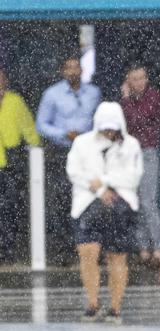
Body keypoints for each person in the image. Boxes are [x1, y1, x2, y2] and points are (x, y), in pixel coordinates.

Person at [66, 101, 142, 323]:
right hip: (87, 203)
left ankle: (115, 307)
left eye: (113, 127)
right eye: (105, 127)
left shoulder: (131, 145)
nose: (109, 131)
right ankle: (93, 302)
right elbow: (74, 172)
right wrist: (99, 189)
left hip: (121, 204)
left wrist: (106, 182)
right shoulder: (81, 144)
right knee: (87, 252)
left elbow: (133, 176)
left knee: (117, 256)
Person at [37, 54, 100, 264]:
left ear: (82, 70)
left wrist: (89, 135)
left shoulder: (93, 93)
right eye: (68, 68)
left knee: (89, 197)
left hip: (88, 153)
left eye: (76, 67)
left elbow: (99, 120)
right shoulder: (52, 94)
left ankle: (88, 246)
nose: (73, 71)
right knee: (61, 200)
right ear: (63, 71)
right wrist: (64, 133)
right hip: (62, 152)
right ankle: (63, 250)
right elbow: (42, 124)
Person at [120, 64, 160, 263]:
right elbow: (124, 124)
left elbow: (138, 119)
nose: (138, 83)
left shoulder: (154, 96)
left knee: (148, 201)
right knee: (136, 202)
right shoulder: (124, 102)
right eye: (134, 79)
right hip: (130, 154)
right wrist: (126, 100)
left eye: (141, 78)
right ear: (128, 82)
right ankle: (143, 247)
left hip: (147, 151)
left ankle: (157, 247)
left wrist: (127, 100)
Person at [0, 66, 40, 264]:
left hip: (10, 161)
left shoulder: (15, 101)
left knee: (9, 207)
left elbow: (28, 127)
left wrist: (36, 147)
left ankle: (7, 250)